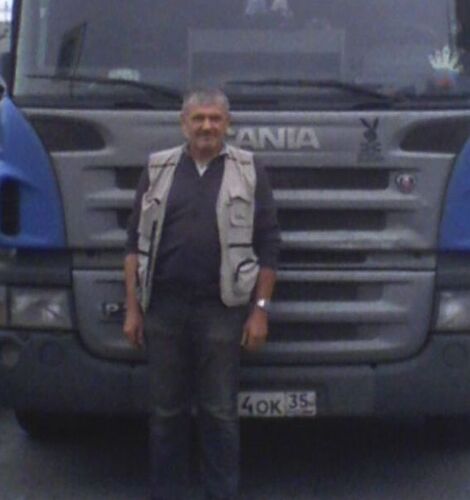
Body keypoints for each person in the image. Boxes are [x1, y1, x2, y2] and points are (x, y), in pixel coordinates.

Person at [123, 88, 280, 500]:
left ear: (227, 124)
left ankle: (221, 492)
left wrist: (260, 310)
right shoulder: (157, 168)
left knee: (220, 412)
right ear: (184, 124)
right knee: (165, 414)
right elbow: (133, 244)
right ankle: (167, 492)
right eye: (198, 118)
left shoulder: (249, 170)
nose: (206, 126)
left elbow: (269, 244)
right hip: (163, 309)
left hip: (221, 310)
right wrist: (133, 310)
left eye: (215, 118)